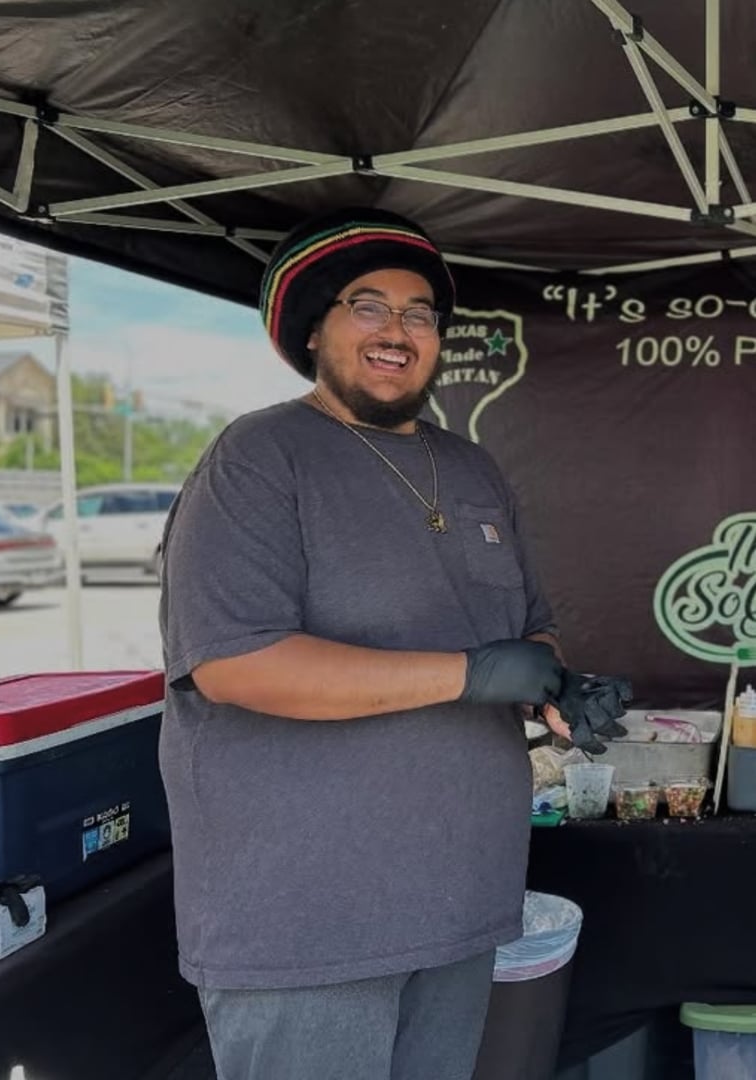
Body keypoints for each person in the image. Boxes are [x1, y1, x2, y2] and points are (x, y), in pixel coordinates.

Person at [159, 207, 626, 1080]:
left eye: (420, 314)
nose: (398, 331)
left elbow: (524, 628)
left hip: (462, 897)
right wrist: (472, 674)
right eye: (367, 306)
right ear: (314, 330)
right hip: (307, 918)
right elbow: (234, 663)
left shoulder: (473, 466)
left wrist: (549, 683)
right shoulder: (258, 459)